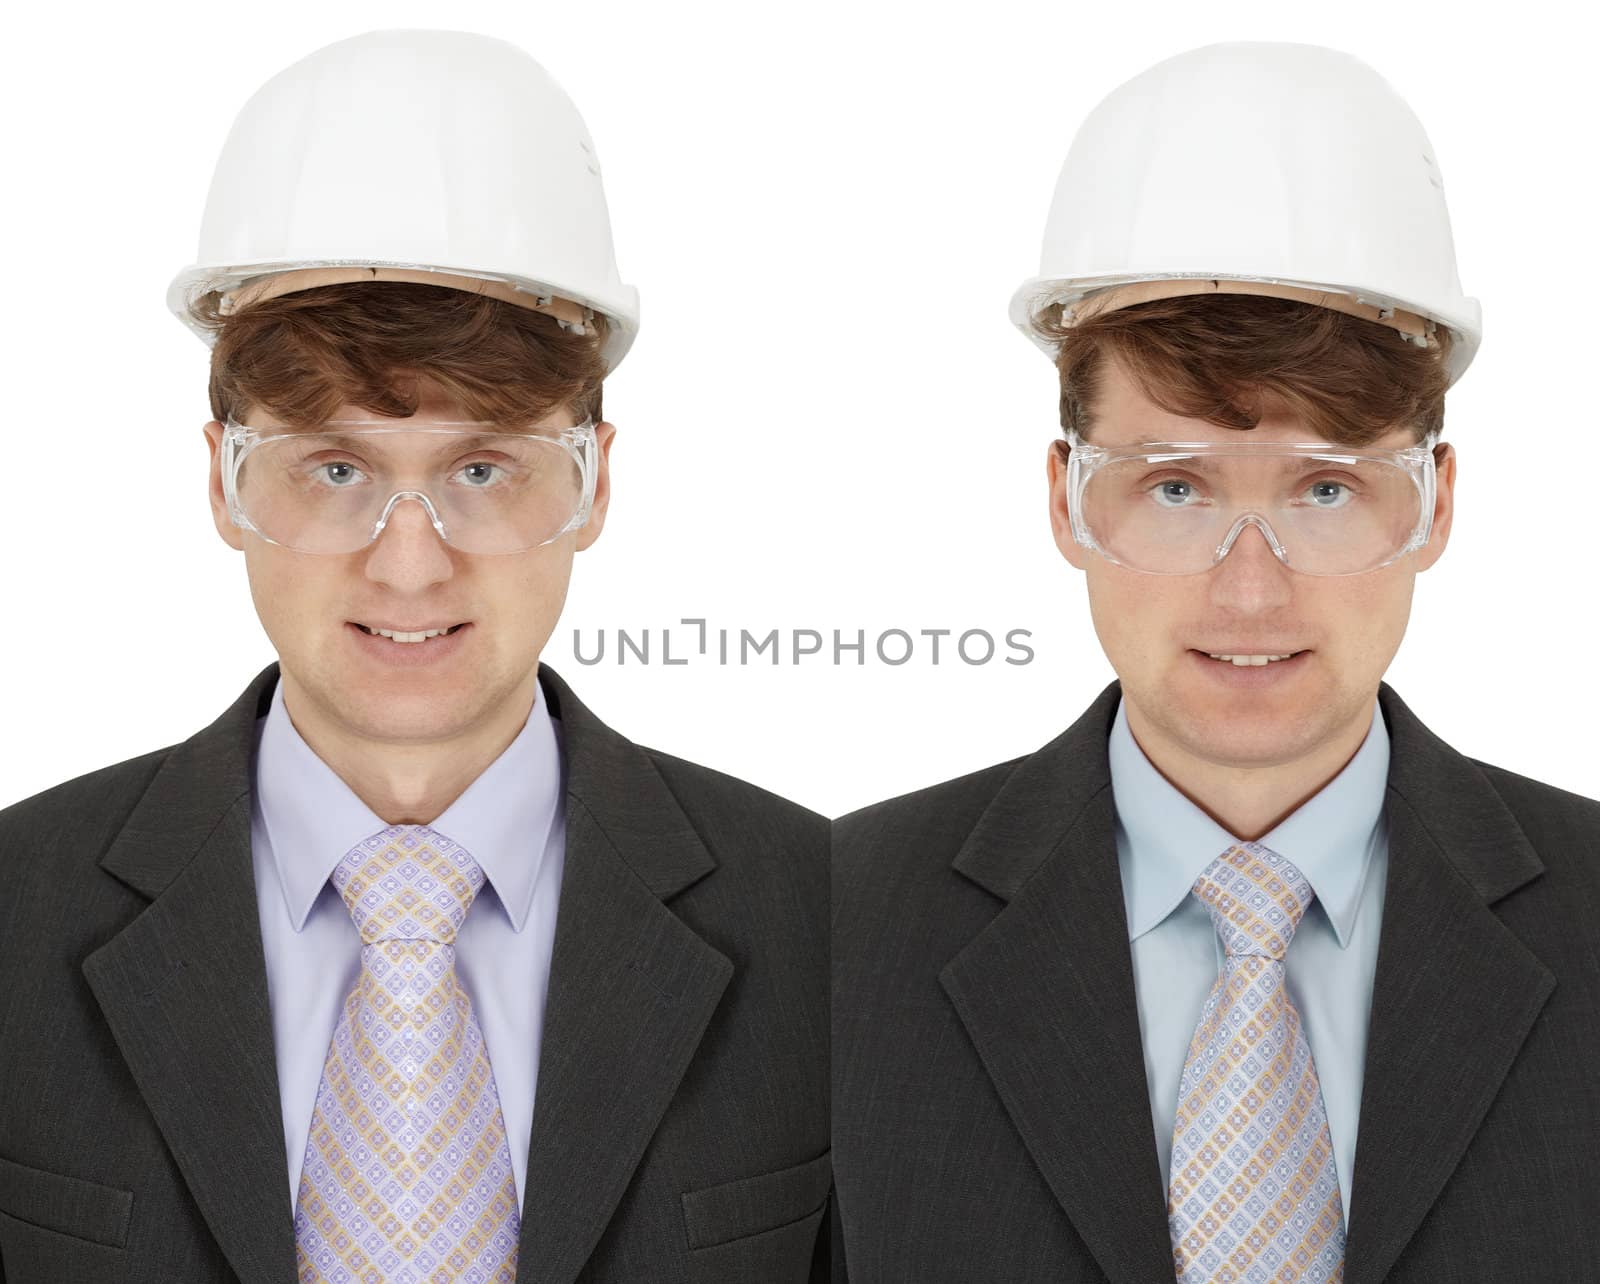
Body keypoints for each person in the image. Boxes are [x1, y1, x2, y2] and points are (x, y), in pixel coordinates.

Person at [0, 30, 829, 1284]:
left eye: (482, 470)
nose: (407, 565)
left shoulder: (829, 920)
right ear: (221, 485)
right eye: (333, 469)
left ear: (595, 485)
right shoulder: (17, 911)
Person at [832, 41, 1598, 1284]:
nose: (1250, 589)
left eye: (1329, 488)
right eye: (1175, 486)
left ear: (1438, 505)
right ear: (1064, 499)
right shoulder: (834, 926)